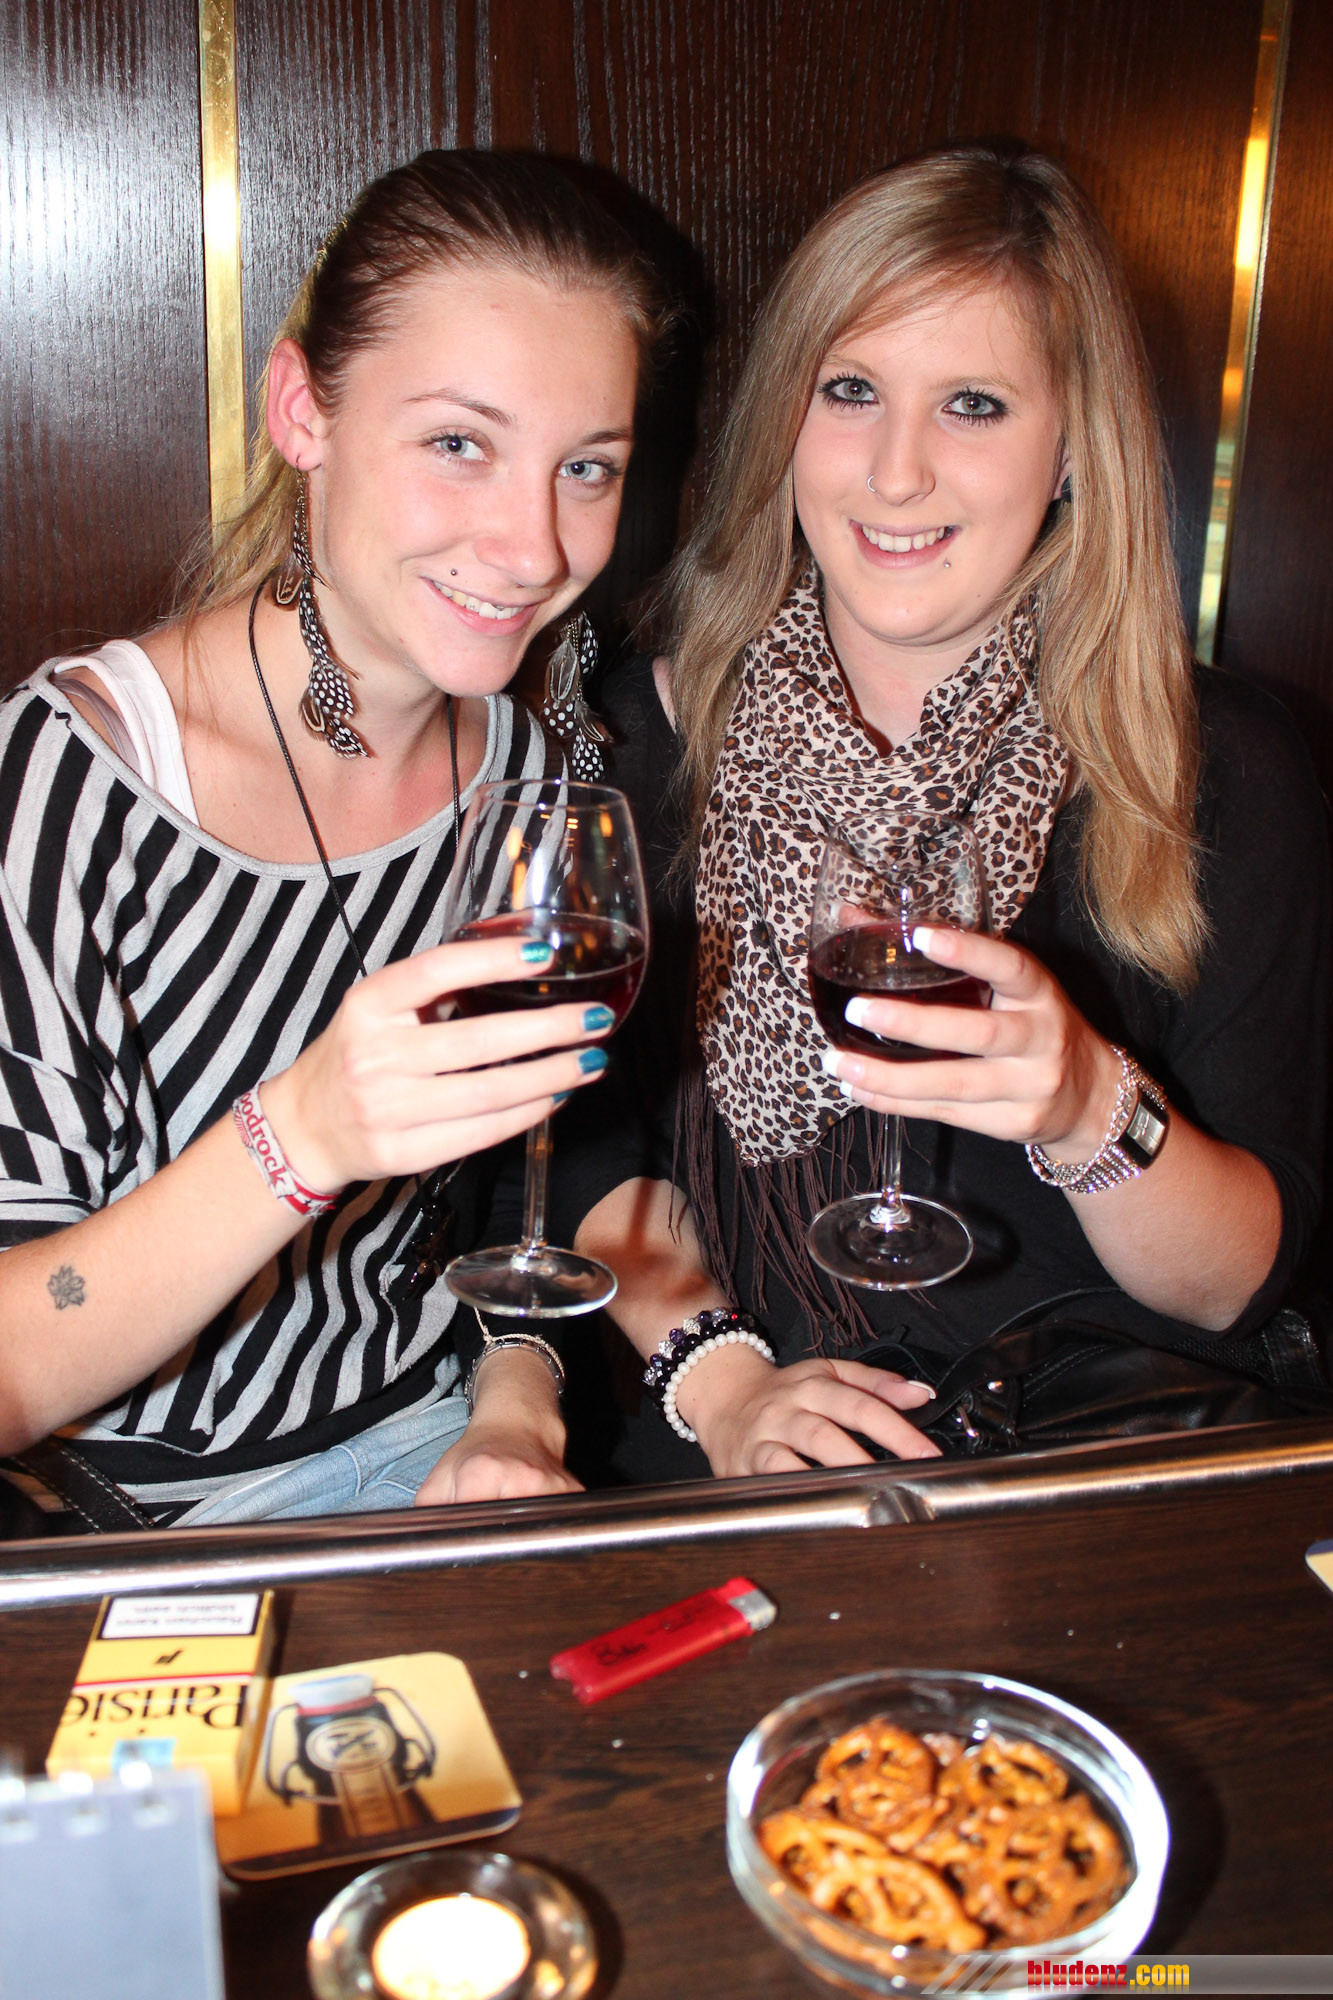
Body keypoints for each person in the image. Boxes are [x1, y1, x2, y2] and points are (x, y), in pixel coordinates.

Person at [561, 144, 1329, 1483]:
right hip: (733, 1456)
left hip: (1083, 1474)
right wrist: (722, 1379)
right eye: (850, 390)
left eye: (973, 405)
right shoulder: (629, 739)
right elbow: (576, 1155)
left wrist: (1087, 1107)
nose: (897, 471)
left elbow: (1231, 1289)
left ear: (1072, 448)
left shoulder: (1219, 767)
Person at [0, 149, 669, 1524]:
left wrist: (515, 1412)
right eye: (459, 444)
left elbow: (513, 1211)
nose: (534, 545)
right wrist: (303, 1129)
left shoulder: (525, 779)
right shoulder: (69, 781)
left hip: (435, 1440)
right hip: (138, 1510)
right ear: (302, 410)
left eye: (585, 467)